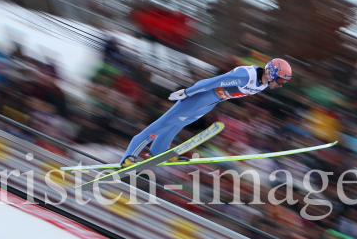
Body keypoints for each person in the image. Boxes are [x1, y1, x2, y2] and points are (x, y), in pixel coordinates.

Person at [119, 58, 293, 166]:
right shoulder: (247, 75)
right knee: (163, 124)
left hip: (211, 103)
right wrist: (188, 92)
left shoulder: (262, 84)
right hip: (199, 97)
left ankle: (158, 152)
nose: (280, 85)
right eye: (280, 81)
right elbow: (213, 81)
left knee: (177, 125)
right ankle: (130, 155)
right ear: (271, 74)